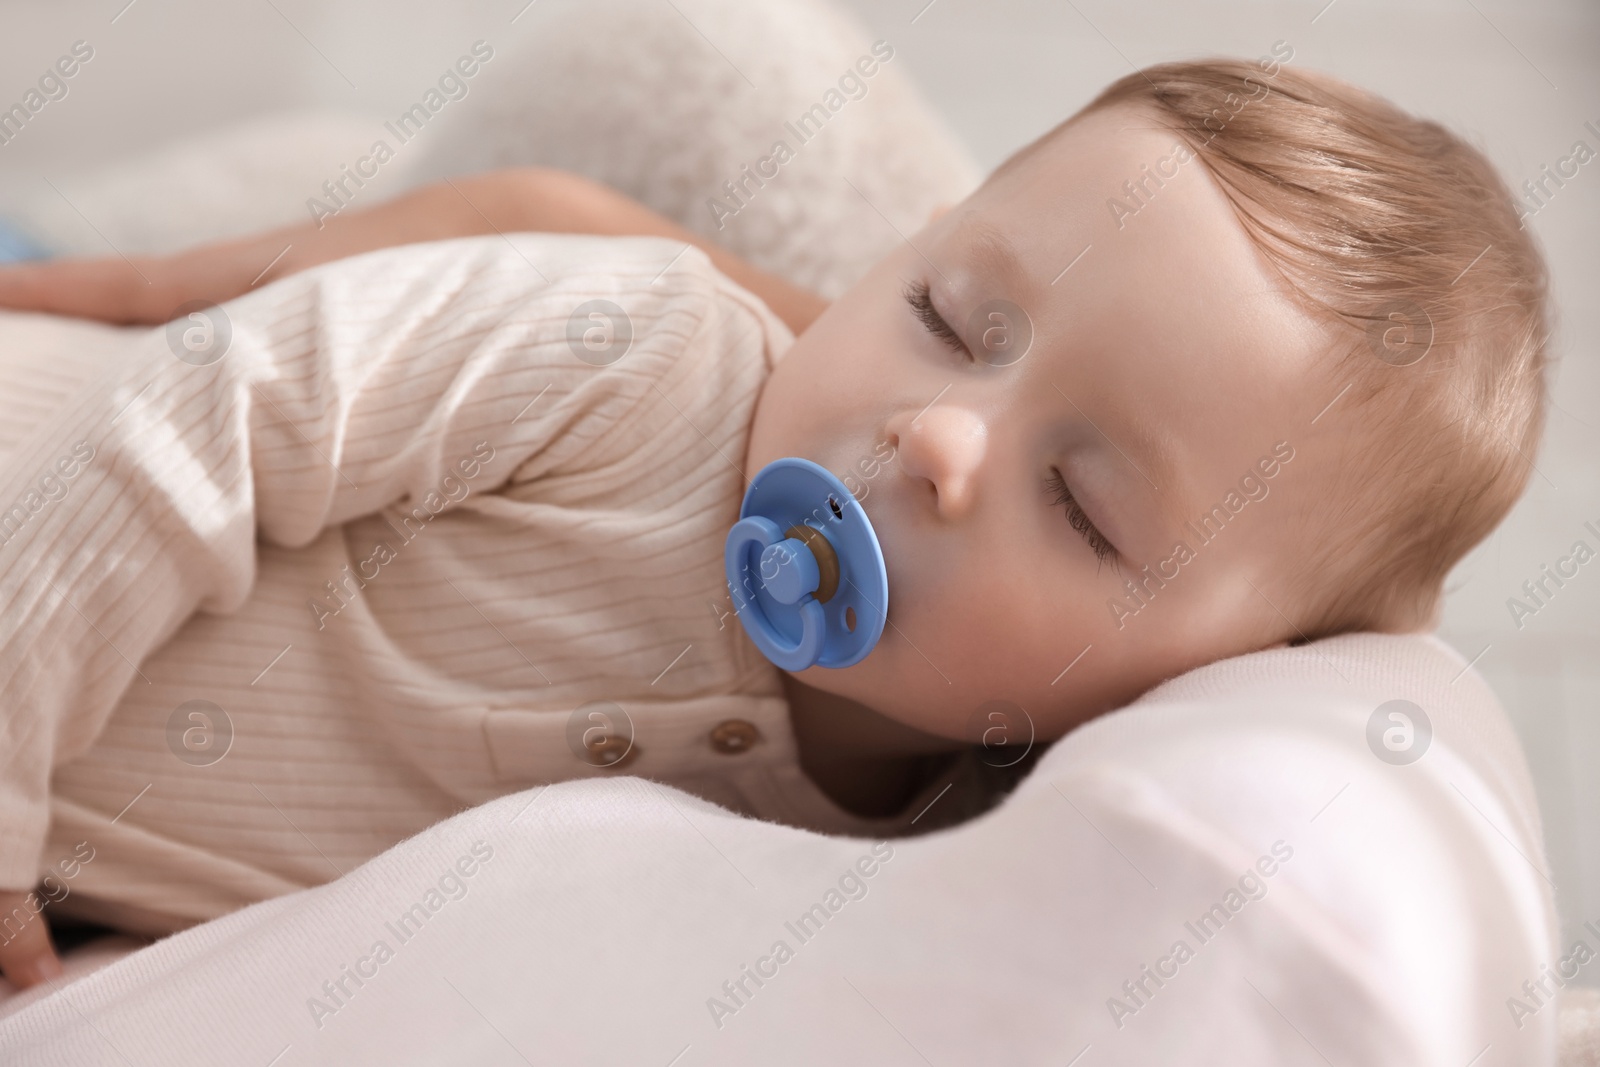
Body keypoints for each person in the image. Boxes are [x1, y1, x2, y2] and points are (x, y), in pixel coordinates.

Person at [0, 58, 1548, 991]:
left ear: (1205, 682)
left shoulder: (916, 843)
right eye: (946, 312)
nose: (939, 437)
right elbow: (173, 428)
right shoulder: (637, 360)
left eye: (1080, 507)